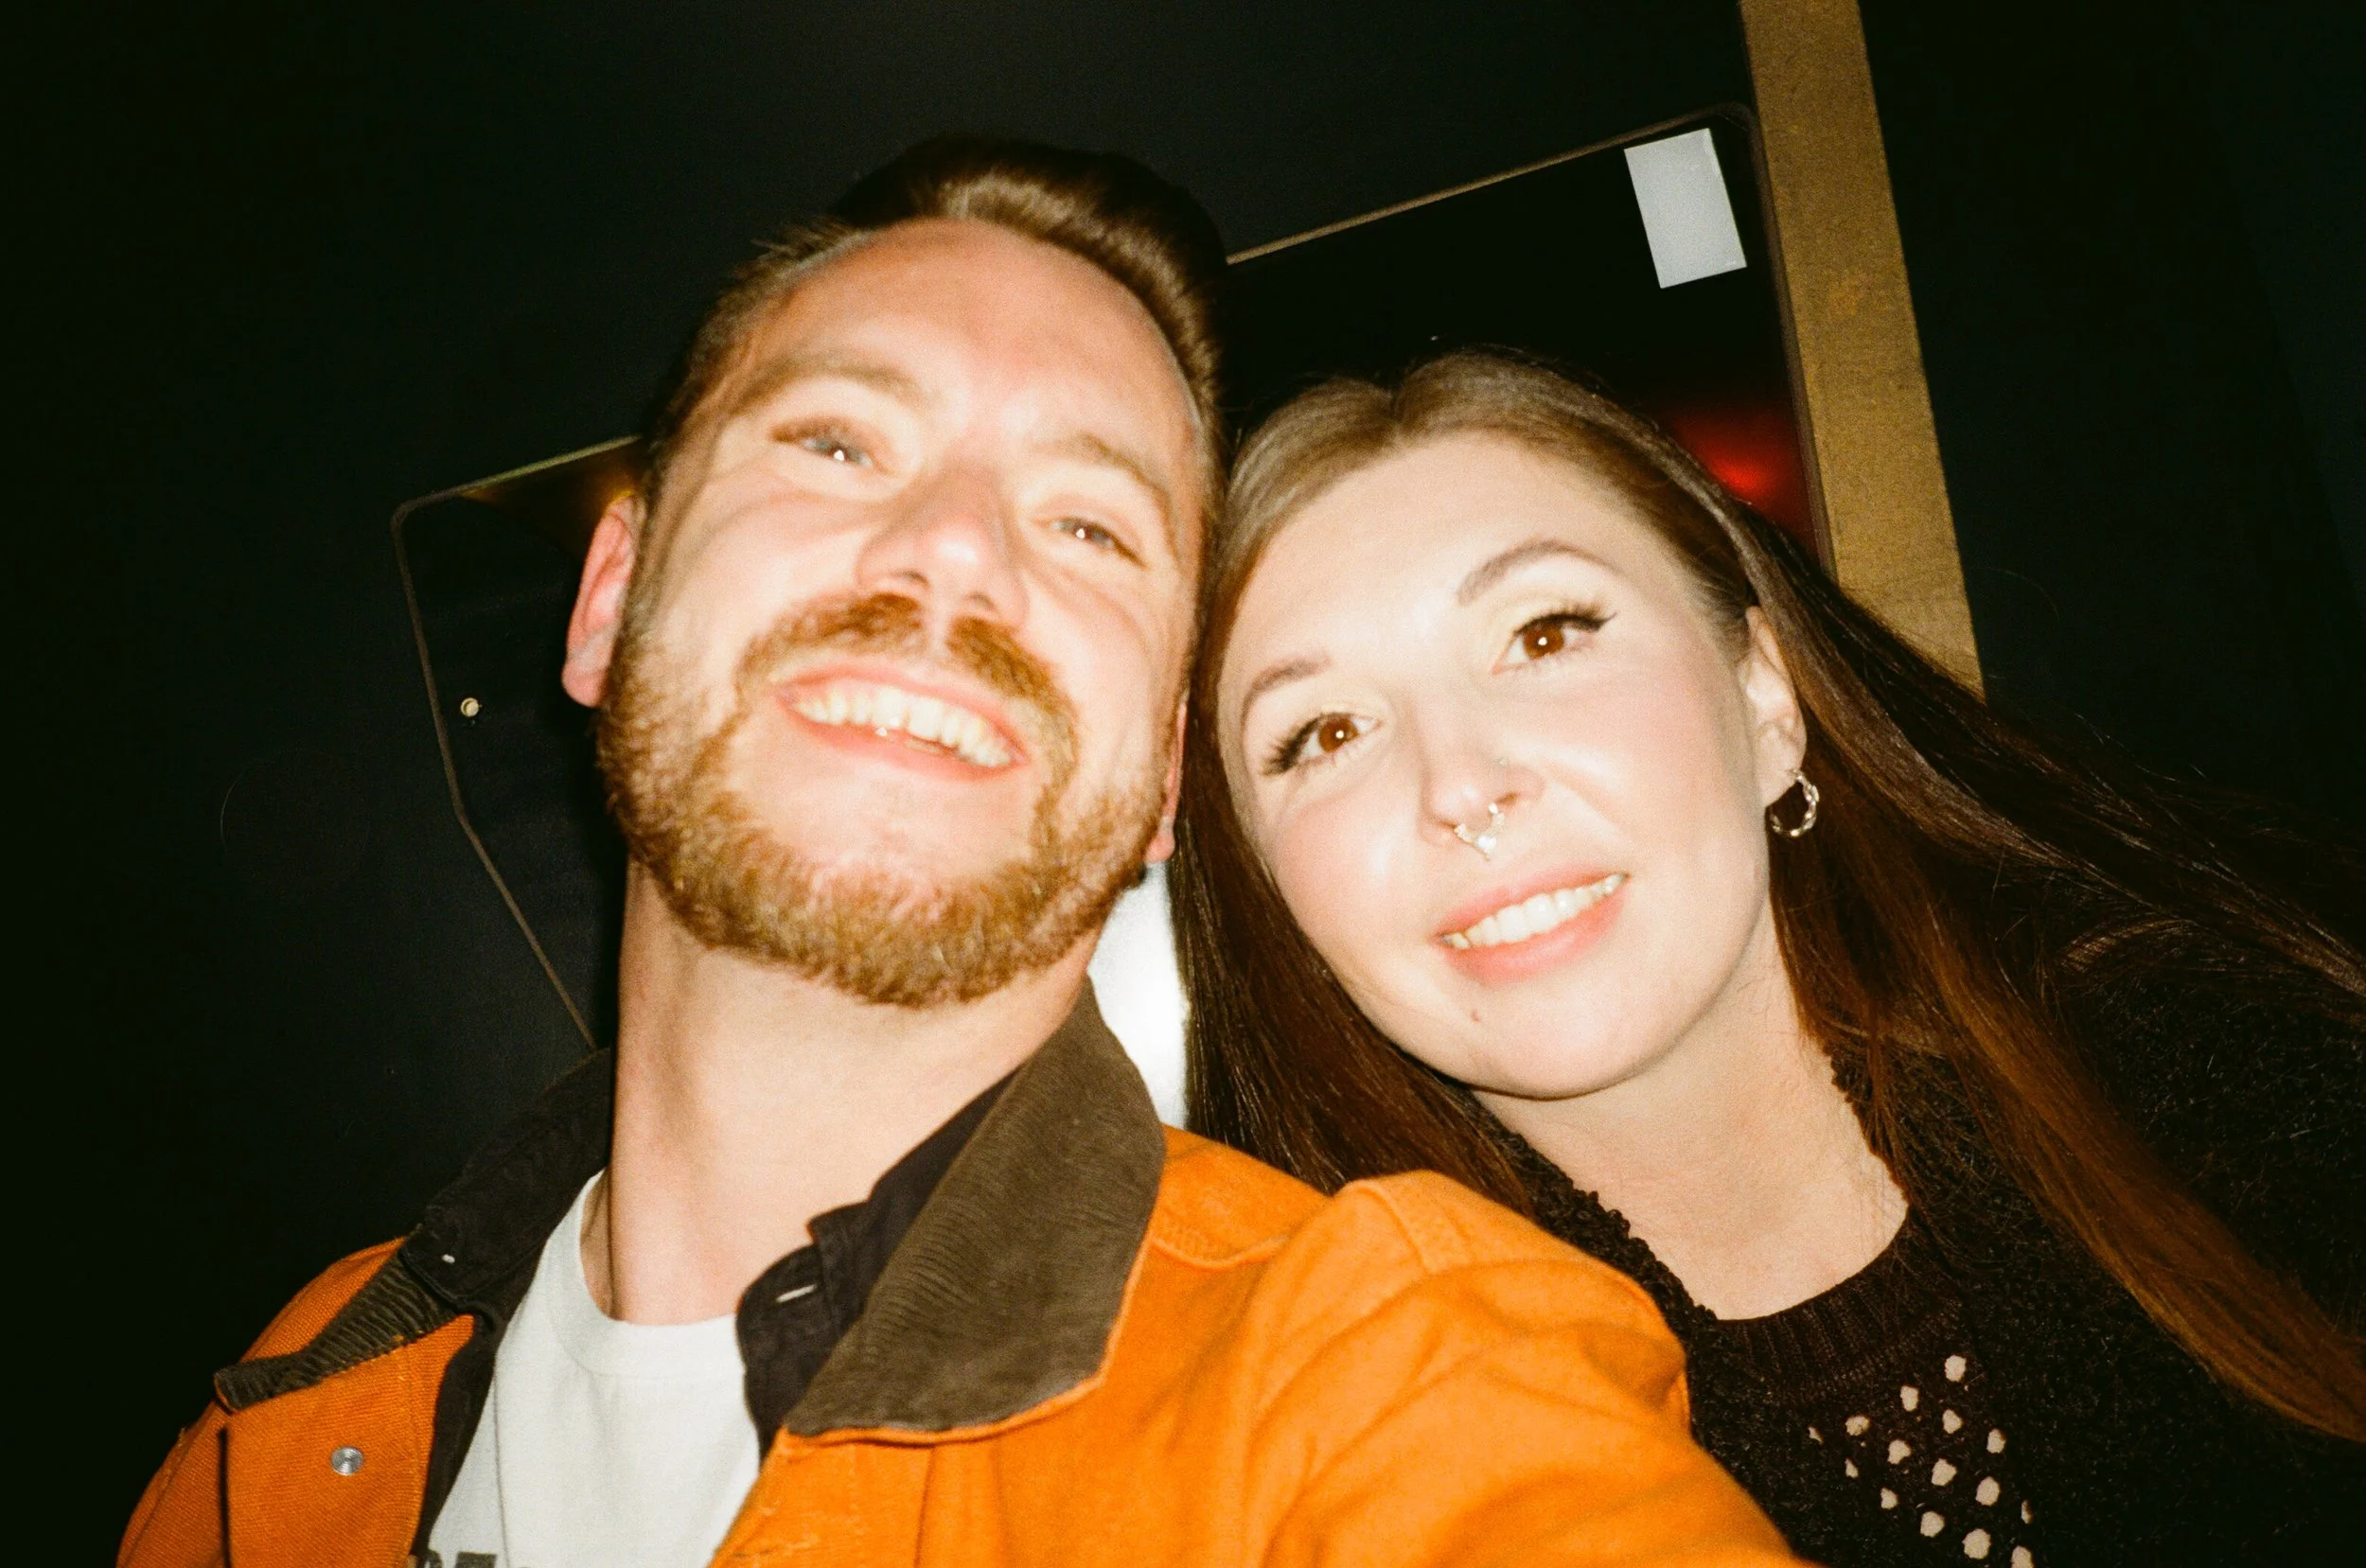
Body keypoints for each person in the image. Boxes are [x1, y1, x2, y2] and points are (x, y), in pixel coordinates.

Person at [120, 147, 1799, 1568]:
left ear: (1162, 776)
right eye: (837, 444)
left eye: (1089, 525)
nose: (950, 553)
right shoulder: (281, 1415)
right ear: (610, 599)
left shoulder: (1381, 1377)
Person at [1173, 350, 2366, 1568]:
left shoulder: (2259, 1065)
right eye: (1324, 733)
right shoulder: (1293, 1453)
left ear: (1764, 699)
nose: (1461, 786)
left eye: (1542, 635)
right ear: (1264, 889)